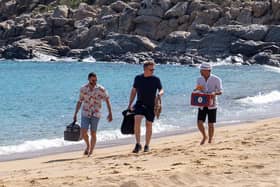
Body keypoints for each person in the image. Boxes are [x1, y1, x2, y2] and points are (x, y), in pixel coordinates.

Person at [128, 60, 164, 153]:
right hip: (139, 104)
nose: (152, 71)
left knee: (148, 124)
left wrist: (159, 94)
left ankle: (147, 145)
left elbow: (161, 89)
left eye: (153, 69)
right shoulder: (138, 78)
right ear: (145, 69)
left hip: (151, 105)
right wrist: (130, 104)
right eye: (151, 69)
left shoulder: (156, 79)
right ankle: (138, 144)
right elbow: (134, 91)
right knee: (137, 120)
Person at [73, 72, 113, 156]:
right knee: (83, 132)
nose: (95, 82)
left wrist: (110, 113)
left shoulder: (101, 89)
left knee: (93, 133)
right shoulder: (83, 89)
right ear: (89, 79)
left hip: (96, 113)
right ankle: (88, 146)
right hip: (85, 112)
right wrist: (75, 113)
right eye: (93, 80)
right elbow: (80, 101)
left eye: (96, 80)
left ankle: (91, 151)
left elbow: (107, 100)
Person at [194, 63, 222, 145]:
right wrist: (196, 91)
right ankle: (204, 136)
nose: (200, 71)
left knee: (210, 123)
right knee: (199, 122)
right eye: (201, 70)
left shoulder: (216, 79)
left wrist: (214, 93)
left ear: (208, 71)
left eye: (202, 70)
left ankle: (210, 139)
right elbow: (198, 89)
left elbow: (220, 91)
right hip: (202, 103)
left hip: (212, 104)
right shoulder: (199, 79)